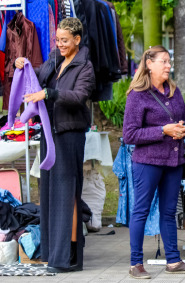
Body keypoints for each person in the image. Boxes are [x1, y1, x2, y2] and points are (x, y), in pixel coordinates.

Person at [16, 18, 94, 273]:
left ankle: (69, 256)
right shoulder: (55, 60)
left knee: (67, 195)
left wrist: (50, 94)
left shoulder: (86, 66)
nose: (59, 44)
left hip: (70, 136)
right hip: (50, 135)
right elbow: (36, 76)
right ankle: (52, 253)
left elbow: (79, 96)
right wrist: (23, 64)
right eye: (57, 39)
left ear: (77, 40)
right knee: (50, 194)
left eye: (64, 40)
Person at [123, 45, 185, 279]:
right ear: (149, 64)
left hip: (173, 162)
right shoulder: (138, 94)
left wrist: (181, 130)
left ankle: (174, 262)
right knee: (141, 211)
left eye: (169, 62)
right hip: (147, 163)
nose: (168, 66)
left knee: (168, 213)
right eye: (164, 61)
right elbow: (130, 135)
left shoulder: (173, 91)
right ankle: (135, 263)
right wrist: (163, 130)